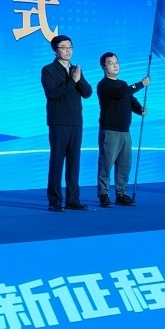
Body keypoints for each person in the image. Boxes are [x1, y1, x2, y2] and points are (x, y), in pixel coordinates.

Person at [41, 34, 92, 211]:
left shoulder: (75, 69)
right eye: (63, 47)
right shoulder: (48, 70)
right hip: (58, 122)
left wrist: (78, 78)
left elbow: (87, 93)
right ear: (55, 51)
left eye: (70, 47)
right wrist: (72, 81)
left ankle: (73, 200)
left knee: (74, 163)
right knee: (57, 162)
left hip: (76, 122)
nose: (68, 50)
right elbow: (52, 94)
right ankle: (55, 201)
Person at [97, 52, 149, 207]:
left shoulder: (123, 84)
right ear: (104, 67)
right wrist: (141, 84)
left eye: (116, 62)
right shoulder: (104, 85)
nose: (115, 65)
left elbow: (130, 99)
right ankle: (103, 194)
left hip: (125, 131)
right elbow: (122, 93)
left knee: (124, 165)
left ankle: (121, 194)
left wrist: (139, 109)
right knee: (106, 164)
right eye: (111, 63)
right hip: (110, 131)